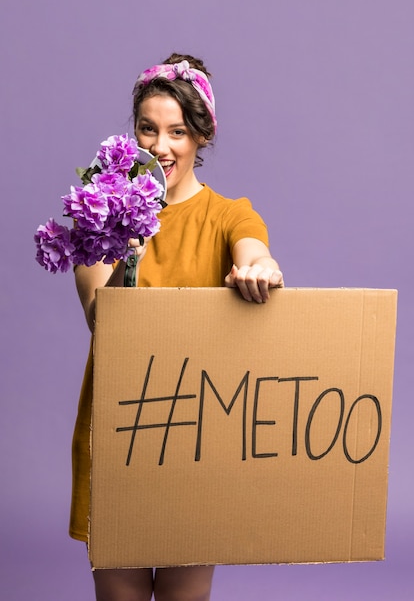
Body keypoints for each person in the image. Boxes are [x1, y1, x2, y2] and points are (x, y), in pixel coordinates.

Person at [70, 53, 284, 601]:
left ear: (202, 136)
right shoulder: (99, 215)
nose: (159, 147)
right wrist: (127, 244)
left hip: (195, 434)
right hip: (120, 428)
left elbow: (253, 248)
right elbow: (102, 317)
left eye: (178, 132)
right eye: (147, 128)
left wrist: (260, 268)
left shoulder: (228, 213)